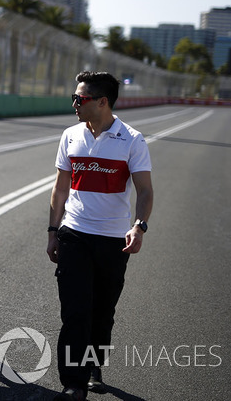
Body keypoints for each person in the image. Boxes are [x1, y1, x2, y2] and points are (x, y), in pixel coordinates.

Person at [47, 71, 153, 401]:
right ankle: (74, 384)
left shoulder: (132, 139)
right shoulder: (70, 135)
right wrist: (53, 231)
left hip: (112, 241)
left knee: (102, 312)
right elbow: (60, 187)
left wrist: (139, 226)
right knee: (75, 312)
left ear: (102, 102)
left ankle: (94, 366)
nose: (75, 103)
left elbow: (146, 191)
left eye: (81, 99)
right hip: (74, 235)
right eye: (75, 98)